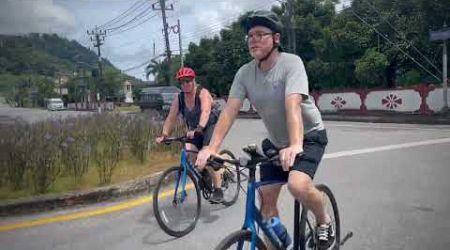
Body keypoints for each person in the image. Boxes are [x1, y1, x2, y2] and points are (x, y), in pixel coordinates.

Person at [195, 10, 333, 249]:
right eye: (250, 36)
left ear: (276, 39)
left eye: (260, 34)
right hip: (277, 142)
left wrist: (296, 144)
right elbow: (229, 111)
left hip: (308, 136)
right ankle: (281, 242)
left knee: (297, 185)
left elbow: (293, 105)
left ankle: (324, 221)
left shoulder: (292, 63)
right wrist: (212, 147)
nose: (253, 40)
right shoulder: (245, 73)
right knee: (266, 199)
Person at [155, 67, 224, 203]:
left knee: (207, 155)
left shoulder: (202, 93)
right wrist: (164, 134)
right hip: (195, 129)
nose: (185, 84)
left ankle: (218, 189)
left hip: (210, 125)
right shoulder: (179, 98)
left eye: (188, 81)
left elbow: (205, 112)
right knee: (189, 152)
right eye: (182, 82)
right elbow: (171, 117)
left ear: (193, 81)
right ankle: (204, 173)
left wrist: (199, 127)